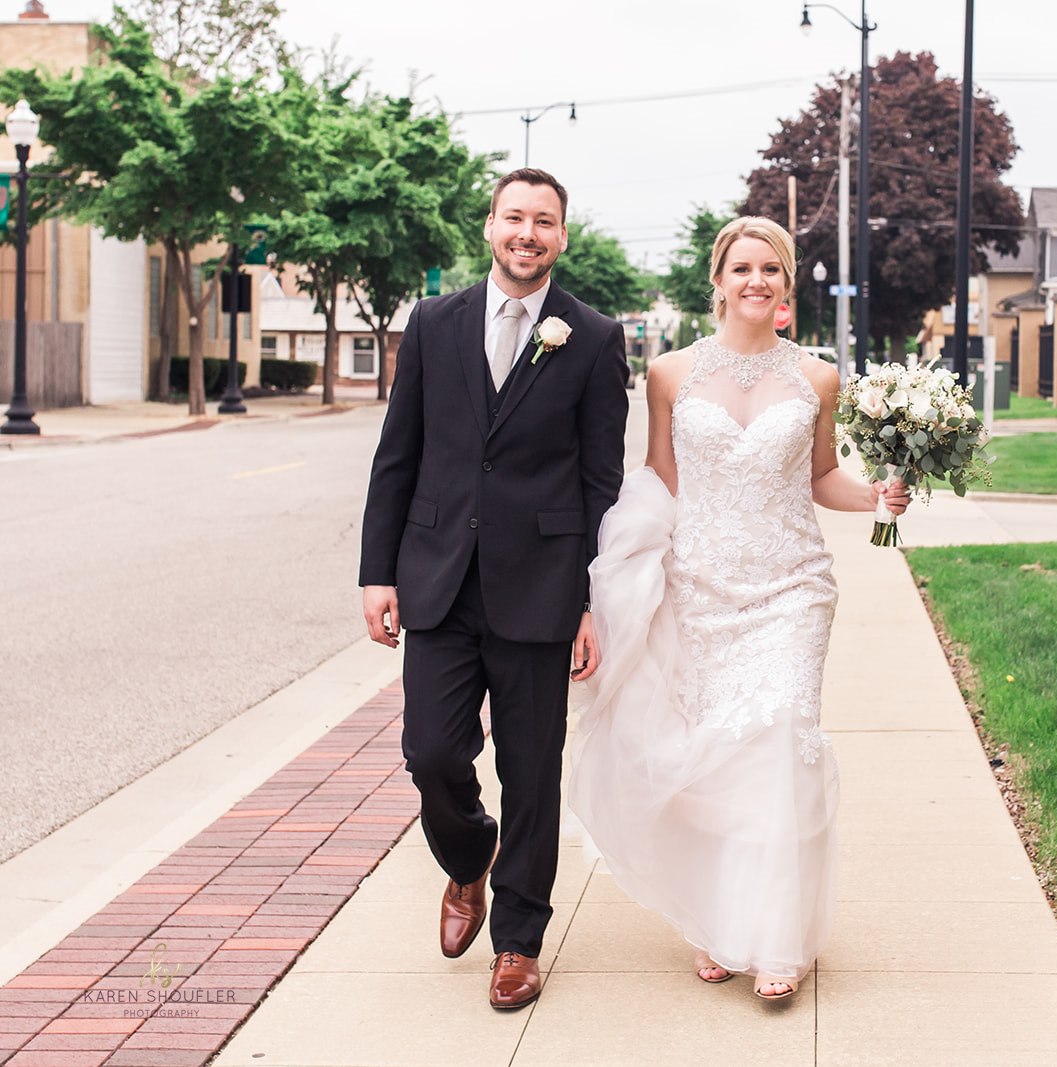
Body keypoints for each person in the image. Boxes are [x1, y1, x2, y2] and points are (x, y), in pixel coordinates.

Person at [568, 216, 910, 1001]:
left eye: (771, 268)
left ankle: (779, 937)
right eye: (743, 267)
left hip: (792, 586)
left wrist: (876, 496)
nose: (757, 280)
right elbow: (660, 479)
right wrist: (629, 581)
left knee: (782, 742)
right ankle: (718, 920)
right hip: (698, 588)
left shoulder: (818, 378)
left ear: (786, 284)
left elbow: (820, 477)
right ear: (718, 280)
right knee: (713, 758)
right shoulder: (669, 374)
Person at [358, 168, 628, 1011]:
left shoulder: (593, 337)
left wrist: (590, 597)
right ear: (489, 227)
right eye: (515, 217)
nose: (528, 233)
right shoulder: (432, 323)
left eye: (544, 221)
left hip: (542, 587)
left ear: (562, 237)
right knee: (432, 753)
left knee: (531, 772)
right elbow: (398, 453)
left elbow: (601, 480)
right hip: (438, 579)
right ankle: (469, 855)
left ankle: (518, 941)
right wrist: (377, 571)